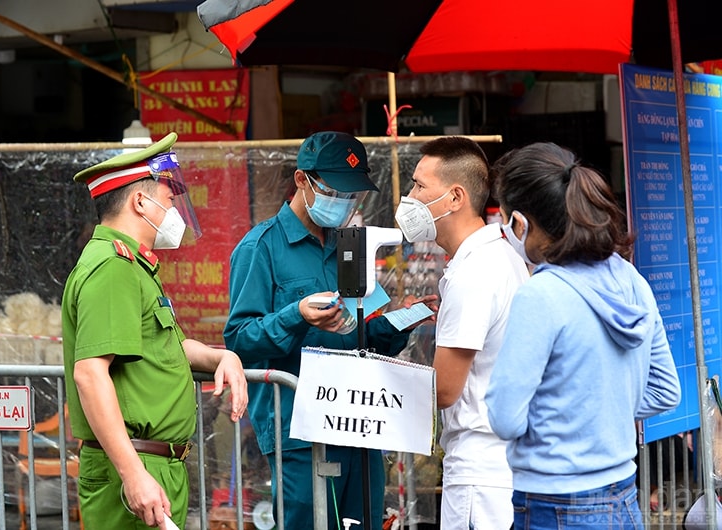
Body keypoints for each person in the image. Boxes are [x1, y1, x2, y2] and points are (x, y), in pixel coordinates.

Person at [224, 131, 437, 530]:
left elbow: (363, 334)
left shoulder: (348, 247)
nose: (343, 203)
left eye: (351, 195)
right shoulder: (261, 248)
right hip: (300, 431)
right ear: (302, 180)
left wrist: (400, 320)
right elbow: (239, 340)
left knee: (363, 522)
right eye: (335, 191)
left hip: (358, 421)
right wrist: (296, 315)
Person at [484, 142, 681, 529]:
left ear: (521, 224)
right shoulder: (630, 279)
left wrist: (572, 419)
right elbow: (666, 391)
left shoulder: (540, 295)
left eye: (506, 221)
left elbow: (505, 418)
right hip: (624, 496)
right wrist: (599, 414)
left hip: (551, 503)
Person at [62, 132, 248, 530]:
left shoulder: (134, 267)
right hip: (134, 466)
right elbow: (90, 374)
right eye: (167, 201)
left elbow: (172, 347)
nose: (173, 212)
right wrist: (132, 474)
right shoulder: (113, 267)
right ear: (139, 202)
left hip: (155, 465)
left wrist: (221, 356)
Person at [393, 136, 529, 529]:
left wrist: (369, 388)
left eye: (420, 186)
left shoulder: (474, 272)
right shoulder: (499, 252)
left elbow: (446, 389)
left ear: (455, 197)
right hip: (499, 466)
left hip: (479, 476)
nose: (410, 198)